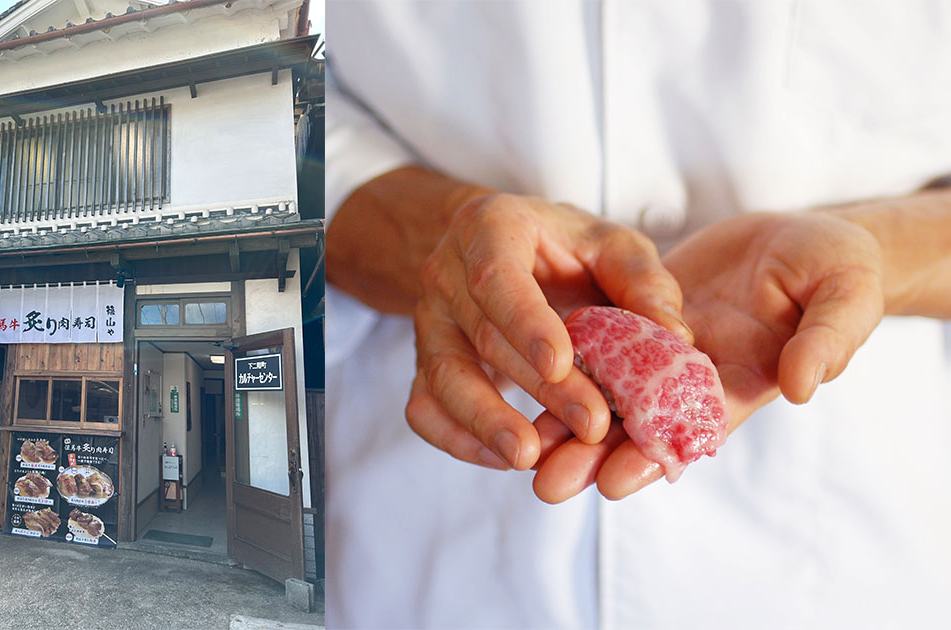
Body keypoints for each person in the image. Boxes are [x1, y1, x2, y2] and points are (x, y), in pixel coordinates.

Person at [324, 1, 951, 627]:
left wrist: (881, 253)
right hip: (430, 540)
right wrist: (447, 238)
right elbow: (270, 102)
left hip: (846, 547)